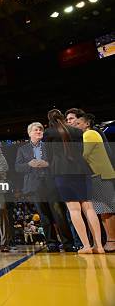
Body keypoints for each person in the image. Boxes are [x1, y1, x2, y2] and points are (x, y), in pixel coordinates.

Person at [44, 109, 103, 254]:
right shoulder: (77, 131)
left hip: (63, 172)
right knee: (89, 208)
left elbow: (49, 156)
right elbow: (82, 151)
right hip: (82, 169)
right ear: (63, 117)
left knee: (74, 209)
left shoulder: (49, 133)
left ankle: (86, 246)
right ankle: (99, 246)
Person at [15, 122, 75, 252]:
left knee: (59, 214)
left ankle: (68, 243)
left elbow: (58, 162)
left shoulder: (49, 147)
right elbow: (18, 167)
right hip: (35, 186)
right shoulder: (22, 149)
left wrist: (47, 163)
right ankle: (51, 243)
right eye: (36, 130)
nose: (39, 132)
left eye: (41, 130)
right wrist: (29, 164)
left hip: (51, 183)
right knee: (44, 216)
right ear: (29, 133)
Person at [77, 113, 115, 252]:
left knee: (107, 209)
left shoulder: (89, 134)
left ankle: (112, 240)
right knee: (102, 210)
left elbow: (84, 155)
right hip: (97, 175)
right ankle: (108, 241)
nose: (75, 126)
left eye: (78, 124)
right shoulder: (88, 135)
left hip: (101, 175)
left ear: (86, 124)